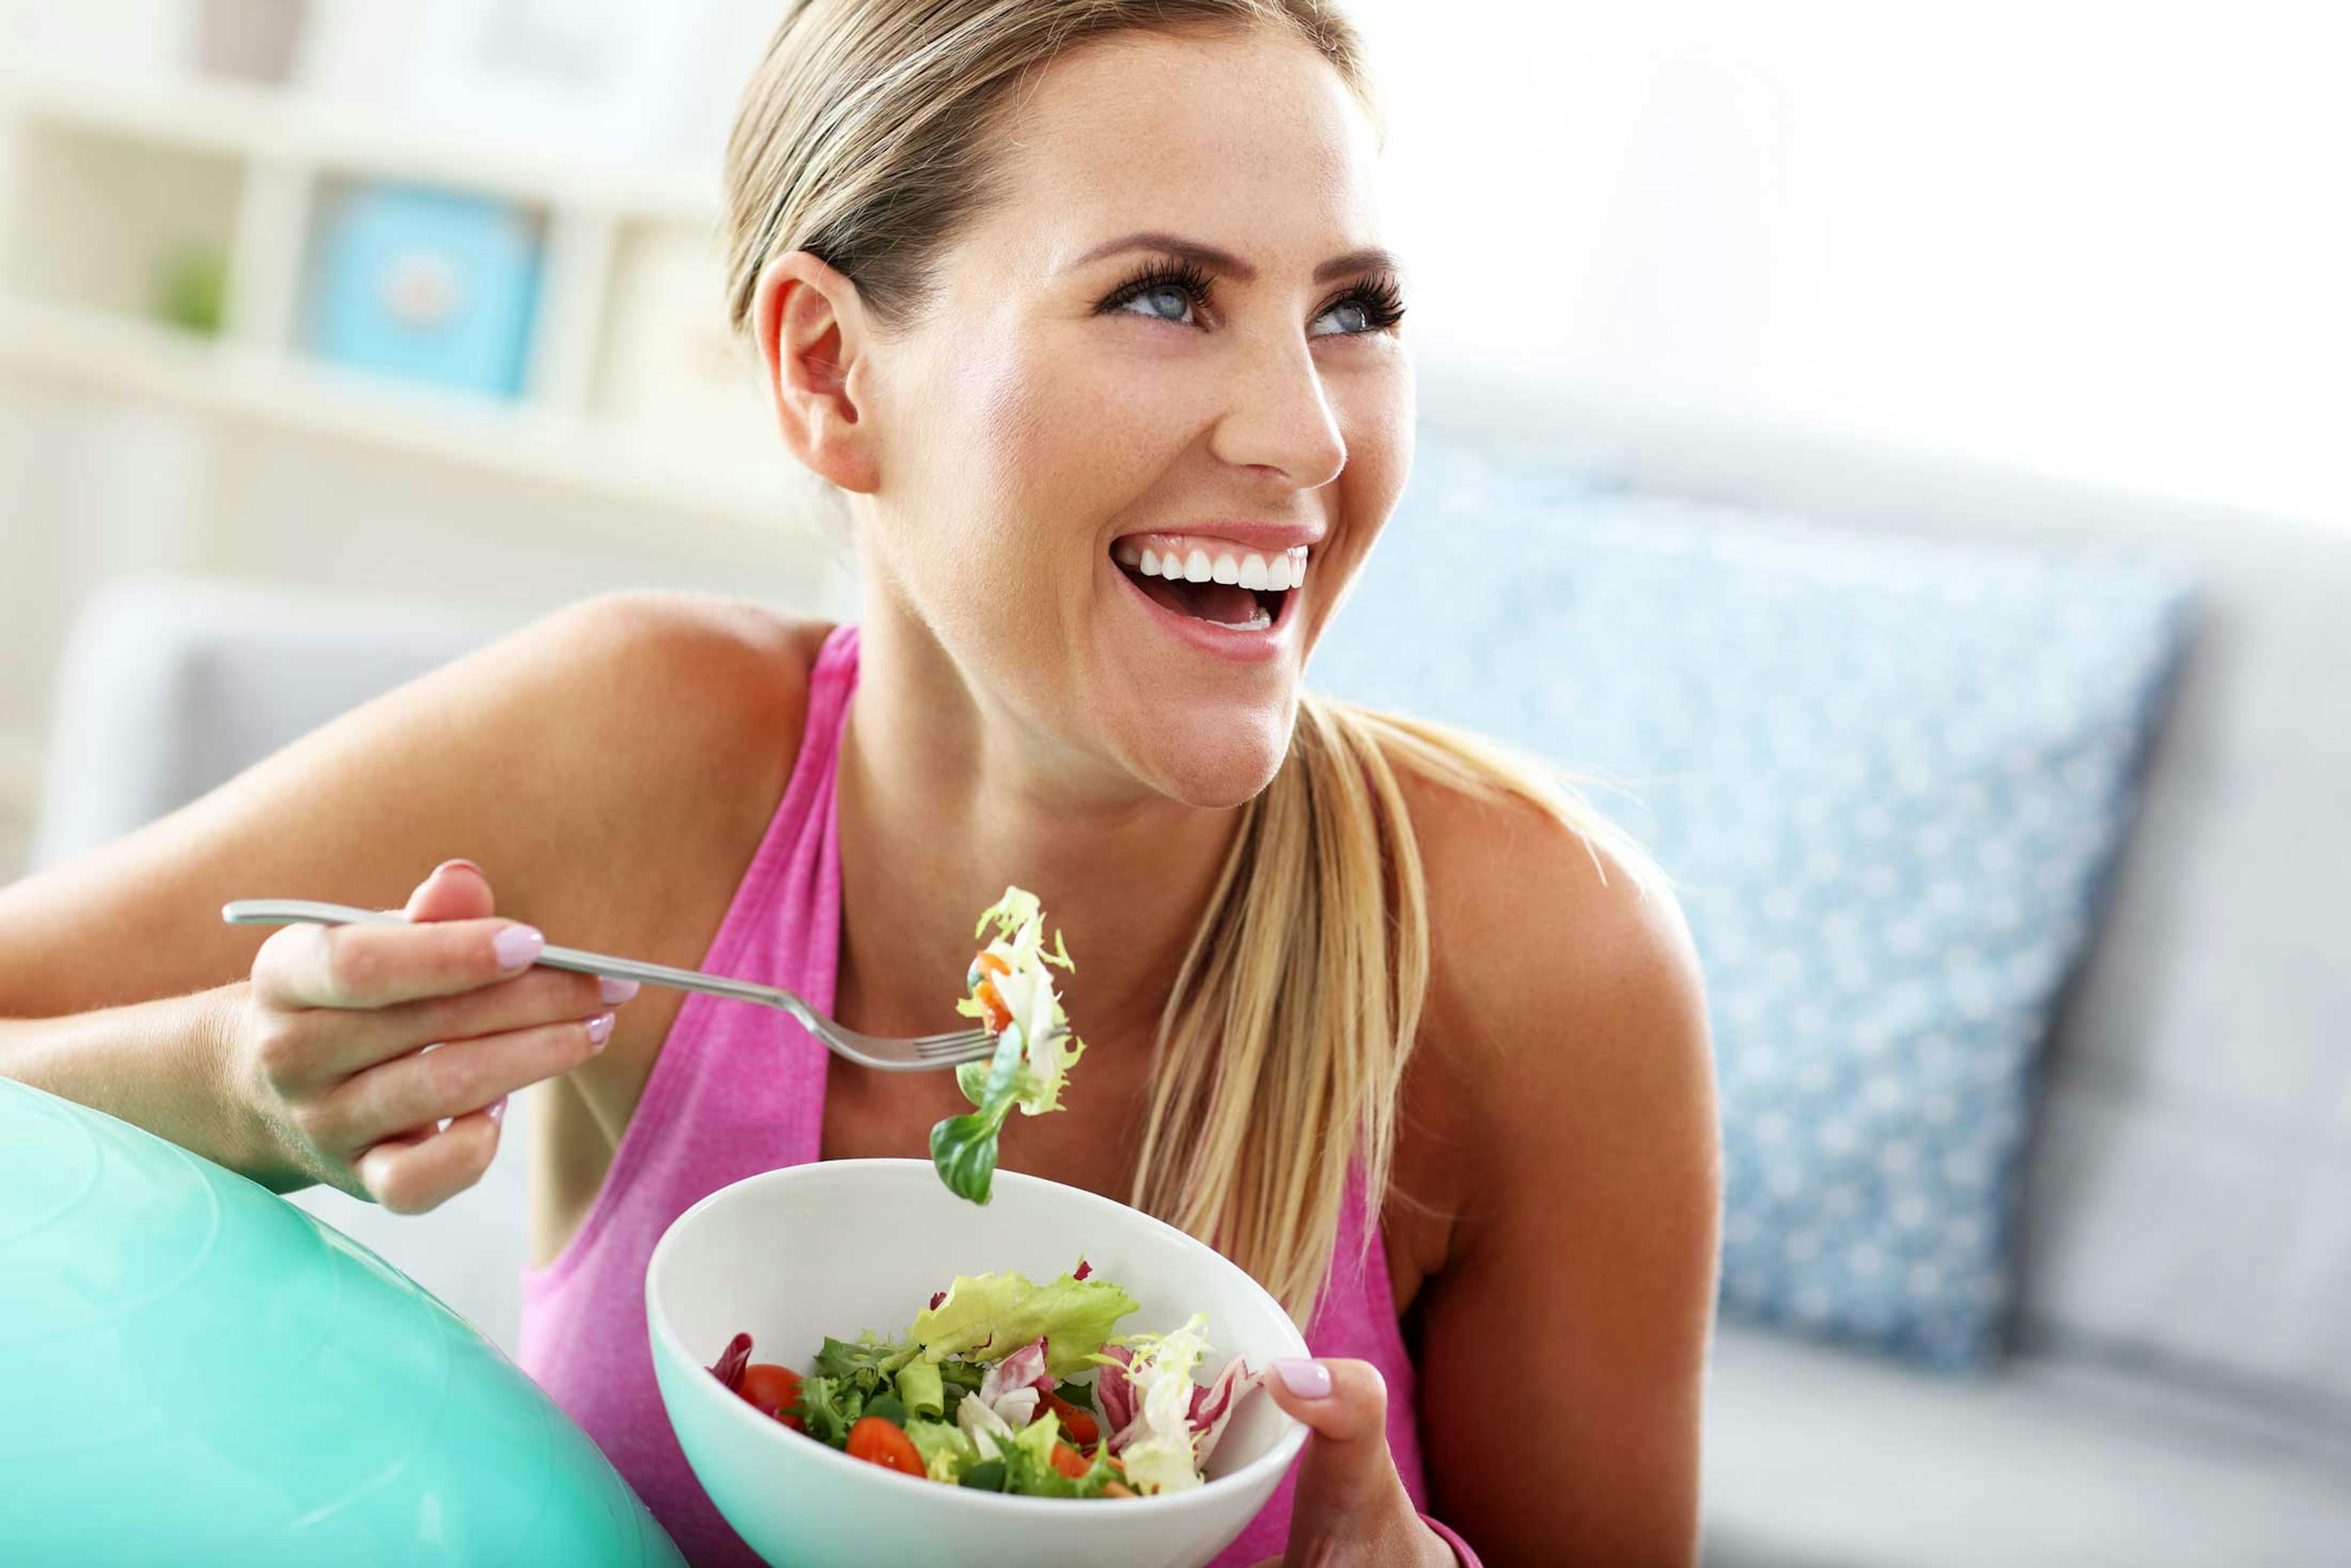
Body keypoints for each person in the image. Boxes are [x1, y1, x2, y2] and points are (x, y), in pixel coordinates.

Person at [0, 1, 1720, 1561]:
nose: (1307, 435)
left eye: (1354, 312)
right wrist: (238, 1085)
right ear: (829, 370)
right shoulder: (643, 746)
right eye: (1164, 295)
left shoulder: (1548, 955)